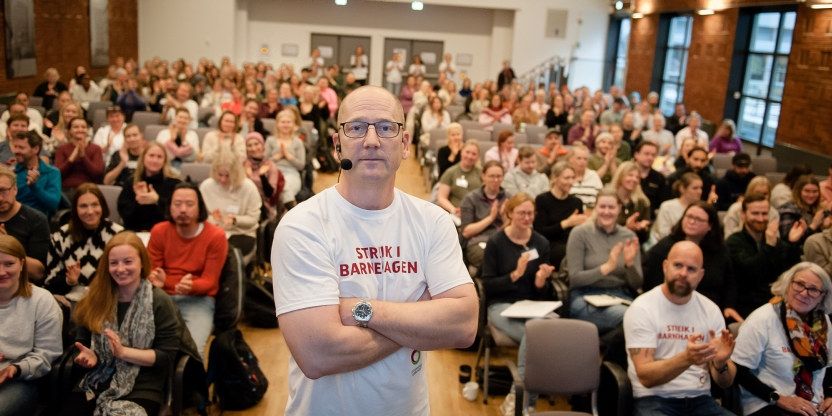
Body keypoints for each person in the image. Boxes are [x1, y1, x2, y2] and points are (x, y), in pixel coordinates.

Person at [273, 86, 477, 415]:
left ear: (406, 144)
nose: (371, 140)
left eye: (385, 127)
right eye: (355, 127)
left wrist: (357, 310)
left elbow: (464, 325)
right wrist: (420, 320)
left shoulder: (433, 222)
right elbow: (318, 354)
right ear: (337, 143)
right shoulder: (303, 226)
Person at [66, 232, 183, 416]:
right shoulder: (94, 298)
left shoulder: (159, 301)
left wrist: (124, 353)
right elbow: (81, 342)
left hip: (142, 386)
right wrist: (87, 356)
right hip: (96, 380)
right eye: (114, 263)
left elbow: (166, 357)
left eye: (128, 262)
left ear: (142, 263)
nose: (120, 269)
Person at [625, 241, 736, 416]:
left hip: (700, 400)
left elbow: (725, 383)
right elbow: (646, 377)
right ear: (665, 267)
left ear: (700, 275)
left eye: (691, 269)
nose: (683, 273)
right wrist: (687, 358)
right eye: (678, 265)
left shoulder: (710, 310)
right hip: (654, 400)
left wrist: (721, 364)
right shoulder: (642, 308)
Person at [480, 193, 555, 414]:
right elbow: (488, 286)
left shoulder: (541, 243)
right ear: (510, 213)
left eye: (530, 213)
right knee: (535, 338)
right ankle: (526, 403)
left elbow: (543, 292)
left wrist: (541, 282)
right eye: (521, 213)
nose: (526, 217)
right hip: (501, 306)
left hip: (531, 306)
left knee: (542, 334)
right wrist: (515, 275)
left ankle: (517, 398)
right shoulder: (496, 242)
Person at [731, 262, 832, 416]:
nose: (804, 293)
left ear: (822, 296)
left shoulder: (824, 324)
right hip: (767, 402)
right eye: (799, 284)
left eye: (813, 289)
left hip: (813, 405)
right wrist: (778, 398)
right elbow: (738, 371)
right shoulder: (763, 318)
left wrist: (830, 395)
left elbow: (829, 367)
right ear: (788, 284)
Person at [147, 183, 228, 359]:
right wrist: (165, 283)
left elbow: (210, 281)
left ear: (200, 208)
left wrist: (188, 286)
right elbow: (153, 273)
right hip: (161, 297)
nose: (183, 209)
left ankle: (190, 385)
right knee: (147, 346)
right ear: (169, 206)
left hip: (198, 299)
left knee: (193, 353)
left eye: (189, 204)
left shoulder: (216, 236)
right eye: (177, 204)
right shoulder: (159, 231)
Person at [643, 201, 740, 321]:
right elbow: (651, 282)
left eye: (698, 219)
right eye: (689, 217)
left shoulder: (719, 250)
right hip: (670, 308)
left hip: (710, 311)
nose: (692, 222)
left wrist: (729, 306)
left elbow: (729, 283)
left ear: (710, 226)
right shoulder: (665, 248)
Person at [0, 235, 63, 416]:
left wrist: (15, 368)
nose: (1, 271)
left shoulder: (41, 300)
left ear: (21, 264)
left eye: (9, 264)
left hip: (21, 379)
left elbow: (46, 355)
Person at [566, 189, 642, 335]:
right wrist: (607, 267)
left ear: (619, 209)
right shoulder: (579, 233)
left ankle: (605, 348)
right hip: (585, 297)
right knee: (631, 319)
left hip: (620, 296)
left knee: (642, 318)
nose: (606, 211)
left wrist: (629, 264)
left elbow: (637, 284)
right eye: (602, 207)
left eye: (611, 207)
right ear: (595, 208)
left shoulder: (628, 235)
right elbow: (574, 279)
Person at [44, 183, 124, 304]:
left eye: (95, 205)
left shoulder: (118, 235)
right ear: (75, 209)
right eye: (83, 206)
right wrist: (68, 281)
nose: (90, 211)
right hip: (72, 300)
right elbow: (49, 283)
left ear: (102, 206)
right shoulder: (60, 237)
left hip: (109, 299)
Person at [727, 194, 804, 318]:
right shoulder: (733, 242)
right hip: (745, 307)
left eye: (764, 213)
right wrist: (768, 247)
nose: (761, 218)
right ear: (743, 214)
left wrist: (792, 243)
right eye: (755, 213)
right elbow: (751, 272)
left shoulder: (775, 241)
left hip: (775, 305)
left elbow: (791, 271)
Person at [199, 148, 262, 257]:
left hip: (241, 233)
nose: (223, 179)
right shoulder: (206, 186)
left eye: (227, 175)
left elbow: (253, 219)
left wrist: (235, 220)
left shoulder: (248, 187)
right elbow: (200, 215)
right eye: (220, 175)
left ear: (236, 173)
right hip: (212, 231)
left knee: (224, 254)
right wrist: (212, 220)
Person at [117, 142, 182, 232]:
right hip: (135, 233)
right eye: (151, 155)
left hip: (165, 234)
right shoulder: (131, 182)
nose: (155, 160)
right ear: (143, 158)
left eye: (159, 157)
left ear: (164, 161)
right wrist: (138, 200)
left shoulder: (174, 184)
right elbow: (124, 215)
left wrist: (157, 200)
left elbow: (178, 215)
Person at [0, 165, 50, 281]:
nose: (0, 198)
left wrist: (9, 247)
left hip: (24, 288)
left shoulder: (36, 220)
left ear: (15, 189)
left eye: (3, 191)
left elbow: (39, 272)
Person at [534, 161, 587, 267]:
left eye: (573, 178)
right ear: (555, 178)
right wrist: (566, 223)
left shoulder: (577, 202)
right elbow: (540, 232)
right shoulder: (542, 200)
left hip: (572, 244)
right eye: (566, 178)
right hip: (549, 245)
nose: (571, 182)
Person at [461, 161, 509, 269]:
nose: (496, 180)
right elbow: (466, 232)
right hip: (479, 241)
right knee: (493, 256)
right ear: (483, 176)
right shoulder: (471, 198)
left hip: (504, 239)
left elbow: (511, 228)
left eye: (499, 176)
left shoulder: (508, 197)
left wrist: (505, 217)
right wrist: (491, 218)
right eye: (492, 176)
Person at [12, 131, 61, 217]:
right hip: (12, 219)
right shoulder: (11, 172)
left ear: (36, 149)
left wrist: (34, 187)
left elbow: (53, 204)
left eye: (21, 147)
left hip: (39, 221)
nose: (16, 151)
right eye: (15, 147)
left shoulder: (52, 172)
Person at [651, 172, 705, 245]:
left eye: (701, 188)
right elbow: (663, 233)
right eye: (695, 188)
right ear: (682, 189)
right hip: (668, 245)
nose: (699, 192)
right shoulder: (667, 206)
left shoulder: (701, 208)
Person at [266, 109, 306, 205]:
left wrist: (288, 156)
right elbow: (264, 163)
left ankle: (282, 213)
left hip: (292, 173)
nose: (286, 125)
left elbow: (301, 166)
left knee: (285, 187)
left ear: (293, 124)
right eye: (283, 122)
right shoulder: (270, 140)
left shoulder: (298, 142)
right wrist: (277, 157)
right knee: (282, 188)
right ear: (277, 124)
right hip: (273, 172)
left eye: (288, 122)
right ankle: (291, 212)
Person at [55, 117, 105, 192]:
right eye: (76, 127)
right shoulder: (62, 149)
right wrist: (71, 158)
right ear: (70, 131)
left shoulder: (96, 149)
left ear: (87, 130)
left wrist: (83, 156)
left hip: (90, 190)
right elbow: (57, 174)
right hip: (66, 189)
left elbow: (97, 174)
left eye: (83, 127)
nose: (80, 130)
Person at [778, 175, 829, 245]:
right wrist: (813, 226)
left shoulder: (818, 209)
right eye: (807, 191)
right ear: (798, 191)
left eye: (815, 191)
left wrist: (826, 226)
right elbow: (788, 240)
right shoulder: (788, 210)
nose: (811, 195)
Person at [436, 140, 481, 217]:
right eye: (467, 152)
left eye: (474, 154)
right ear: (461, 152)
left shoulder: (482, 173)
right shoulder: (450, 172)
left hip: (476, 214)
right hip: (455, 215)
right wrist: (453, 210)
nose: (470, 156)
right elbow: (441, 198)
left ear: (477, 157)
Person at [243, 132, 283, 220]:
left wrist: (262, 176)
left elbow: (269, 194)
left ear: (262, 145)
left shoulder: (270, 165)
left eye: (256, 144)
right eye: (249, 145)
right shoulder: (242, 164)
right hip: (241, 202)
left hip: (262, 205)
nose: (253, 148)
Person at [611, 161, 652, 242]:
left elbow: (645, 238)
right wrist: (626, 228)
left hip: (633, 246)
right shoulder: (608, 199)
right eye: (630, 175)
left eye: (637, 177)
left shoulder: (642, 202)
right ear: (620, 176)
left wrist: (641, 229)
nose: (634, 179)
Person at [633, 141, 669, 219]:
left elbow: (663, 204)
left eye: (653, 155)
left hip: (650, 219)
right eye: (646, 154)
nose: (650, 158)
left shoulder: (659, 178)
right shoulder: (627, 174)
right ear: (636, 155)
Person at [566, 144, 603, 210]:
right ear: (570, 159)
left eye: (585, 159)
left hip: (591, 214)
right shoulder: (565, 175)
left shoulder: (593, 175)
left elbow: (601, 197)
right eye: (579, 158)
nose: (582, 162)